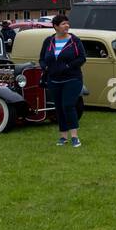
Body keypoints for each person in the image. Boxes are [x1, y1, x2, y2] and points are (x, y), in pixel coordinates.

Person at [38, 14, 86, 147]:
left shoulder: (75, 41)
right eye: (63, 24)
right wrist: (45, 67)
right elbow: (42, 58)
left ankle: (75, 137)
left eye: (67, 23)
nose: (67, 26)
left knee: (68, 105)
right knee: (59, 108)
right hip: (54, 80)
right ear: (56, 26)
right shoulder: (48, 41)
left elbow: (82, 58)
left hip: (72, 78)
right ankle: (63, 137)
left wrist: (68, 66)